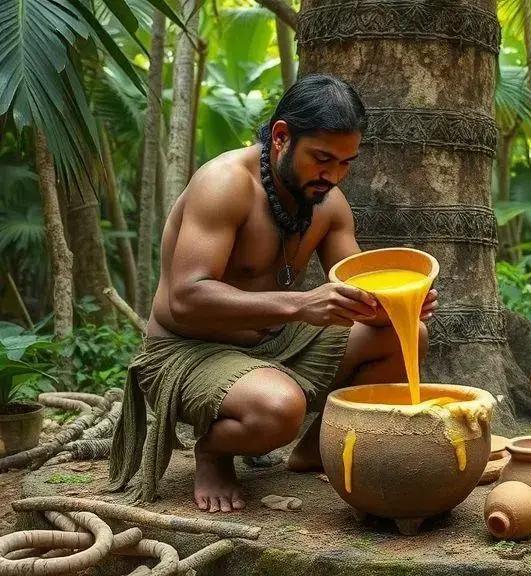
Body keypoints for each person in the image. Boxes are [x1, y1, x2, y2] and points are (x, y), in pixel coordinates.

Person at [110, 74, 438, 512]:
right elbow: (185, 300)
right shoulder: (224, 184)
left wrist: (394, 306)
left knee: (408, 334)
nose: (333, 175)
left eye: (345, 163)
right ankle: (213, 450)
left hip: (276, 342)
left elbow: (358, 293)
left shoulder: (328, 203)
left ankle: (315, 449)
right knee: (280, 408)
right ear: (282, 136)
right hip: (188, 348)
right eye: (322, 158)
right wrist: (302, 305)